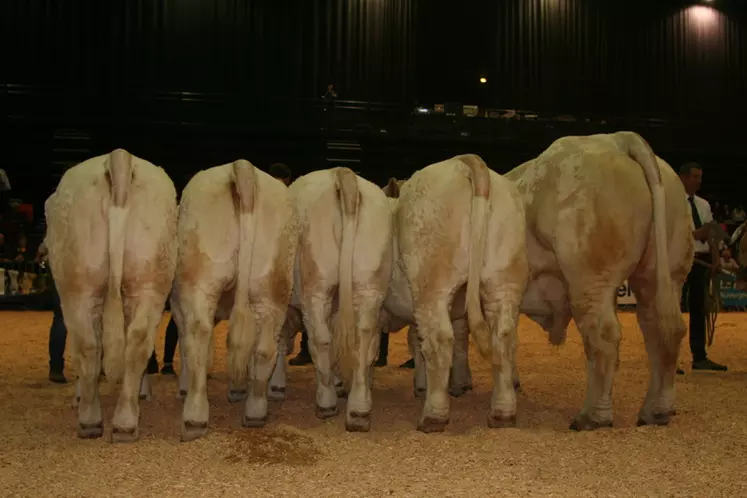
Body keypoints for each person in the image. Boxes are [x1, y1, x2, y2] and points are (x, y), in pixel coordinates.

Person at [678, 162, 727, 374]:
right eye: (695, 176)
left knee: (699, 309)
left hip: (700, 260)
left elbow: (711, 233)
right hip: (678, 259)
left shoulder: (704, 204)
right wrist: (694, 235)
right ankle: (670, 359)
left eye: (700, 177)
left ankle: (699, 356)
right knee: (672, 309)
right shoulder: (672, 203)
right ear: (683, 178)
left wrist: (716, 260)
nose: (699, 180)